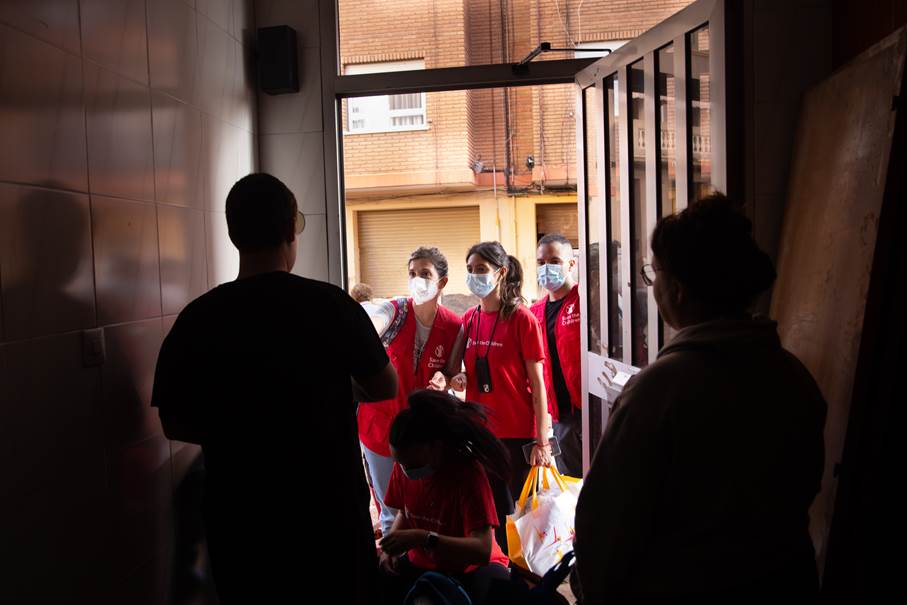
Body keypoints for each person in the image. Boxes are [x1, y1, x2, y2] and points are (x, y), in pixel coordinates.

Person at [151, 173, 398, 604]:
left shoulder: (199, 318)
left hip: (242, 519)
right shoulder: (332, 305)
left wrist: (239, 428)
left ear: (232, 234)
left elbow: (172, 421)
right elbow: (384, 386)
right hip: (328, 515)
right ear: (289, 231)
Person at [574, 193, 827, 603]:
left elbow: (602, 529)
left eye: (653, 274)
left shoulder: (658, 392)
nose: (652, 287)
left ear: (677, 289)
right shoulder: (792, 374)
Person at [439, 241, 553, 550]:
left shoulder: (522, 319)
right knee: (493, 515)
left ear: (501, 273)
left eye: (481, 269)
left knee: (524, 517)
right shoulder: (470, 319)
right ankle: (503, 576)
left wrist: (541, 442)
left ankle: (528, 581)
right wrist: (459, 377)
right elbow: (453, 371)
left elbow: (538, 387)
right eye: (470, 270)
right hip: (482, 434)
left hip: (517, 436)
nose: (474, 276)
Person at [357, 246, 462, 538]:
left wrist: (445, 379)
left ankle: (419, 565)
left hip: (422, 433)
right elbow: (373, 318)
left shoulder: (454, 326)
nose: (417, 280)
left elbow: (452, 374)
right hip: (380, 430)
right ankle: (395, 569)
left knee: (421, 504)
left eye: (425, 274)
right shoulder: (396, 311)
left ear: (442, 282)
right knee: (390, 507)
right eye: (412, 273)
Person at [379, 390, 512, 605]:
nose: (406, 471)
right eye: (400, 463)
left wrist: (424, 538)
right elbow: (405, 511)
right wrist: (390, 547)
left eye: (412, 464)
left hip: (471, 568)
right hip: (423, 563)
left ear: (436, 447)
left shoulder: (466, 474)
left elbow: (482, 549)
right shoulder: (405, 466)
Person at [531, 234, 583, 478]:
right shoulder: (534, 313)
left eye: (554, 261)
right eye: (541, 262)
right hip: (560, 419)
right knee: (571, 486)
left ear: (571, 264)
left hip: (591, 413)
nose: (546, 268)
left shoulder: (586, 302)